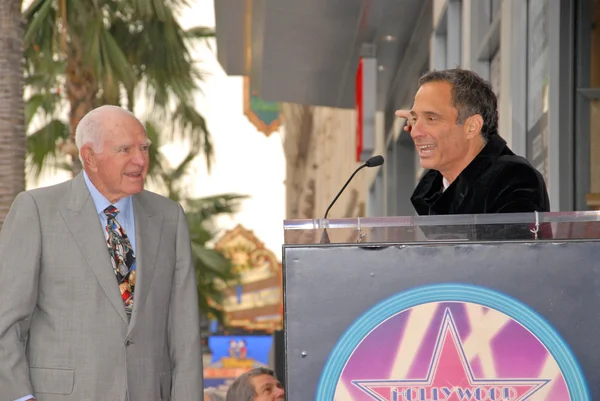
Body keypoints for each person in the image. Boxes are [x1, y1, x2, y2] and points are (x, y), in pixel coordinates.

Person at [0, 106, 203, 400]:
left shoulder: (169, 217)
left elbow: (184, 334)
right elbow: (5, 323)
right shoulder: (37, 211)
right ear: (89, 157)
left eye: (144, 147)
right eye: (125, 149)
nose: (140, 159)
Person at [396, 68, 550, 216]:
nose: (415, 132)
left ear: (472, 127)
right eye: (415, 119)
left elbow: (512, 241)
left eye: (431, 118)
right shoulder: (439, 188)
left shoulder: (513, 178)